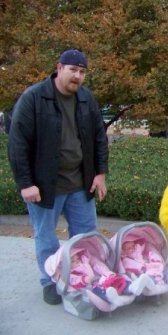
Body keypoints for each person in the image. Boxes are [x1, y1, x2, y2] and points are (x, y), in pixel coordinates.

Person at [7, 49, 109, 305]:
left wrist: (99, 174)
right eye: (73, 70)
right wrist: (26, 184)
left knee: (86, 236)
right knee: (47, 237)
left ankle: (84, 275)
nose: (78, 76)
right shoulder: (33, 98)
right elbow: (18, 143)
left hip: (80, 183)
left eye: (82, 72)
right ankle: (51, 281)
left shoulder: (86, 98)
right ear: (59, 68)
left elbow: (99, 137)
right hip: (44, 186)